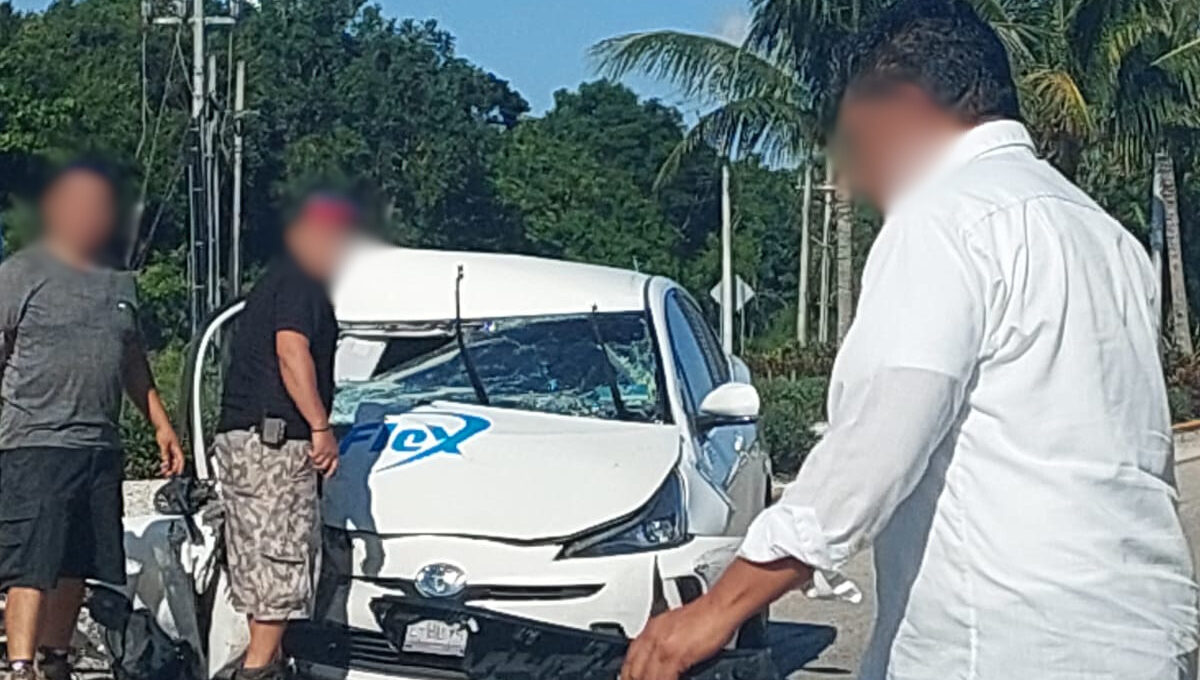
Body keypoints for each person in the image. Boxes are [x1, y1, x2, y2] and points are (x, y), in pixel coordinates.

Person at [621, 2, 1200, 679]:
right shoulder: (1106, 235)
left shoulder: (944, 217)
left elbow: (876, 441)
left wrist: (716, 610)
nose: (857, 168)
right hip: (1147, 636)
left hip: (1005, 645)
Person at [0, 163, 185, 680]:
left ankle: (56, 659)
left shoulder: (118, 280)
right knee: (31, 562)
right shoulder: (19, 273)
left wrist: (160, 422)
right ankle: (19, 665)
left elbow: (131, 357)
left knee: (77, 562)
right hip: (35, 443)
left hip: (99, 444)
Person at [214, 193, 356, 680]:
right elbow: (292, 351)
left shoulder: (272, 280)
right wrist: (320, 426)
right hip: (275, 442)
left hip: (245, 440)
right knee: (281, 559)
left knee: (257, 563)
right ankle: (259, 670)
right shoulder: (302, 282)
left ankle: (262, 660)